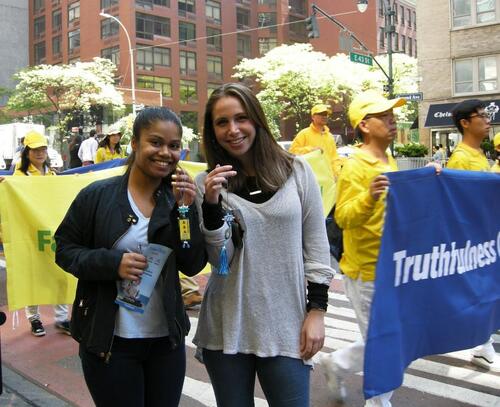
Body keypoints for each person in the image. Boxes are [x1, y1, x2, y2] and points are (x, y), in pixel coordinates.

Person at [54, 107, 207, 407]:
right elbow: (65, 250)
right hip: (110, 344)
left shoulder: (178, 198)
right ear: (134, 144)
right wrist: (113, 263)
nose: (165, 152)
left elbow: (192, 263)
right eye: (155, 142)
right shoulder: (97, 196)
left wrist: (186, 210)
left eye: (173, 145)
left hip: (166, 343)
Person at [194, 83, 334, 407]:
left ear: (256, 120)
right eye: (222, 122)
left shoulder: (297, 171)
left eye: (241, 118)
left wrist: (317, 312)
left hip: (287, 324)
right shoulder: (208, 185)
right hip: (228, 325)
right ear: (212, 131)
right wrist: (212, 206)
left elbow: (316, 247)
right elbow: (220, 261)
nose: (233, 130)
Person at [318, 91, 409, 406]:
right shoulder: (355, 164)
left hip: (394, 267)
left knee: (387, 339)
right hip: (366, 270)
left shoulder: (389, 159)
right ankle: (378, 402)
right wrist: (369, 197)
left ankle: (336, 364)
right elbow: (342, 216)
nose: (392, 120)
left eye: (391, 114)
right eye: (384, 116)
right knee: (386, 345)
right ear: (365, 125)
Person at [448, 99, 499, 371]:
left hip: (487, 239)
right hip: (475, 243)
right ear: (465, 123)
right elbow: (460, 206)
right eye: (481, 116)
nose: (487, 120)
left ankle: (483, 344)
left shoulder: (479, 155)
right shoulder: (461, 158)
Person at [13, 130, 71, 337]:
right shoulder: (19, 176)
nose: (40, 153)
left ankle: (62, 318)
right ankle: (34, 318)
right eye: (36, 149)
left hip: (51, 230)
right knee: (33, 274)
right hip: (30, 232)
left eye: (43, 149)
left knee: (60, 272)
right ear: (27, 152)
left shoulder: (53, 174)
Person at [289, 104, 343, 178]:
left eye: (326, 114)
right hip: (309, 178)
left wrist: (337, 174)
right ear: (313, 117)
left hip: (328, 180)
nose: (324, 116)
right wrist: (311, 150)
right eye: (321, 114)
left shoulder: (330, 137)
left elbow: (334, 158)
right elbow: (292, 153)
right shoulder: (304, 134)